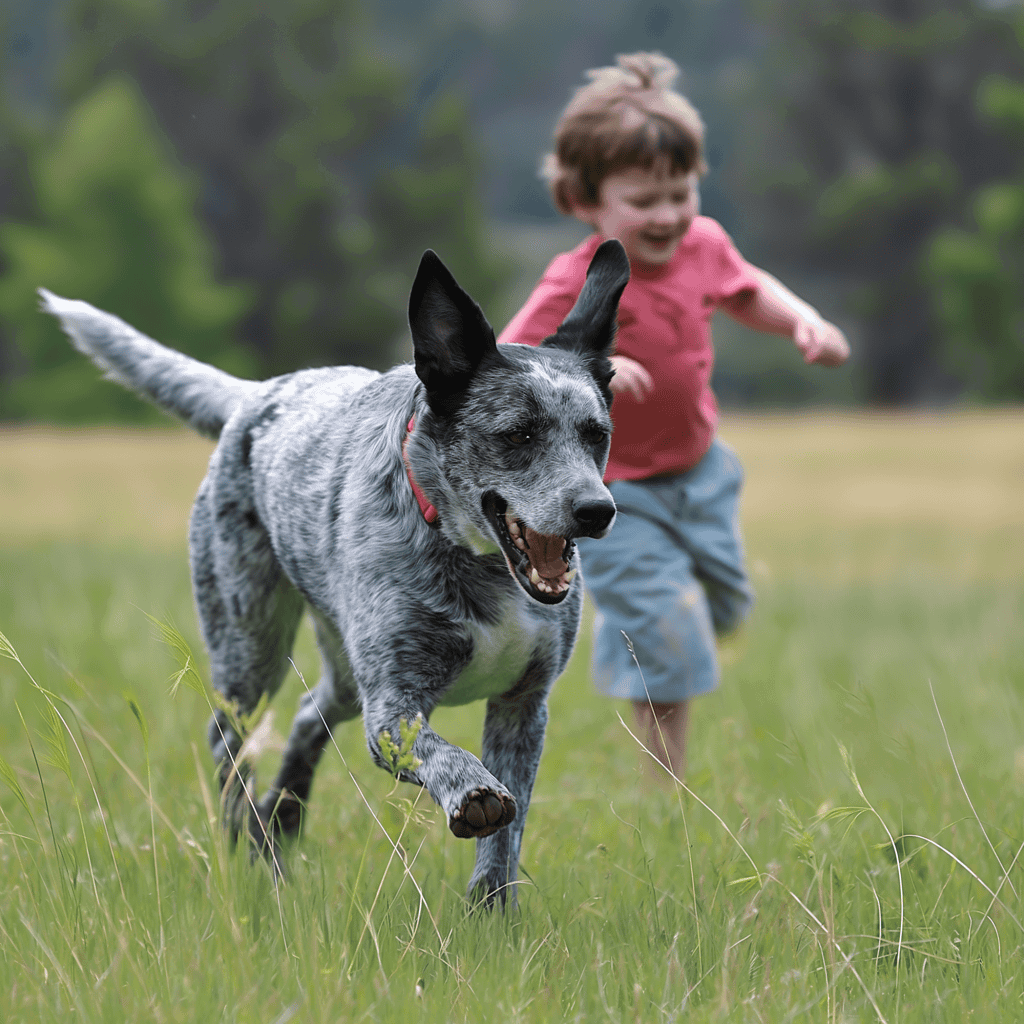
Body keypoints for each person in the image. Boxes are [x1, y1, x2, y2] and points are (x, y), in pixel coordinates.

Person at [496, 52, 849, 780]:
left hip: (703, 472)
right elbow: (511, 356)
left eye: (679, 192)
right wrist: (588, 364)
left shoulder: (704, 243)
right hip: (618, 494)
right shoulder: (575, 280)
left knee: (728, 599)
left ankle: (661, 631)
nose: (667, 215)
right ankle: (668, 788)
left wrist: (803, 323)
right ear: (587, 200)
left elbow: (745, 289)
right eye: (644, 200)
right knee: (663, 625)